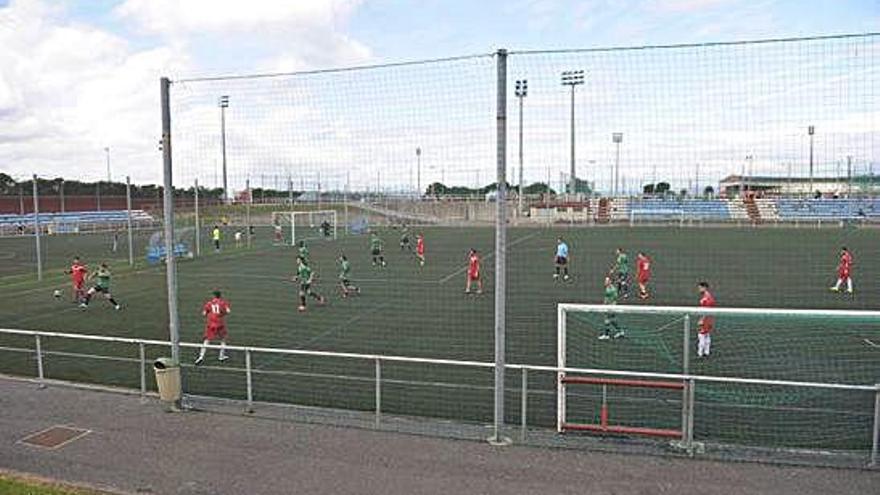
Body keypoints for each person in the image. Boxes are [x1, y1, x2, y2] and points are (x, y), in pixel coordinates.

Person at [195, 289, 231, 365]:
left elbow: (204, 313)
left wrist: (209, 314)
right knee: (223, 339)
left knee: (207, 340)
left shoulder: (209, 303)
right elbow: (228, 311)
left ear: (213, 296)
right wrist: (222, 313)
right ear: (220, 296)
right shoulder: (223, 303)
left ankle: (201, 357)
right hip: (220, 324)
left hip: (211, 324)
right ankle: (221, 356)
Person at [599, 275, 625, 340]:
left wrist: (610, 306)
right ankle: (620, 331)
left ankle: (606, 335)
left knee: (607, 320)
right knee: (613, 321)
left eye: (607, 280)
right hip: (610, 306)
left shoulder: (611, 289)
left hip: (610, 307)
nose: (605, 281)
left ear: (610, 281)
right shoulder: (610, 287)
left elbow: (613, 298)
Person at [697, 282, 716, 358]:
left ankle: (700, 353)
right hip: (709, 318)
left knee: (701, 335)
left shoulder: (707, 298)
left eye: (700, 288)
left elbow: (706, 310)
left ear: (704, 288)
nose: (699, 290)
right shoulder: (708, 296)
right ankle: (706, 352)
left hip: (706, 319)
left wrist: (701, 319)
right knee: (707, 335)